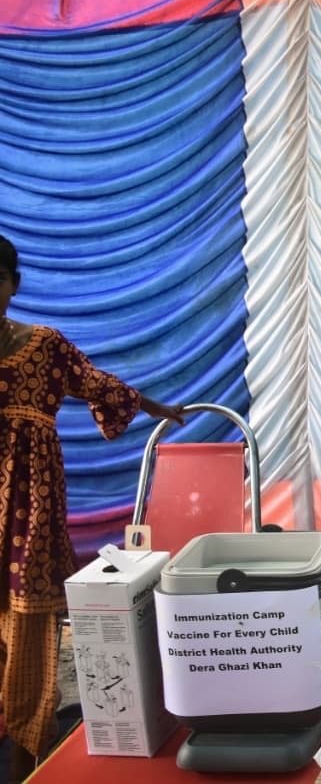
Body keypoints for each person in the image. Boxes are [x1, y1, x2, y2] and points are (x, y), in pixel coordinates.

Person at [0, 235, 185, 778]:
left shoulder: (46, 345)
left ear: (12, 284)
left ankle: (26, 753)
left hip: (29, 506)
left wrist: (159, 408)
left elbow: (99, 385)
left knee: (30, 624)